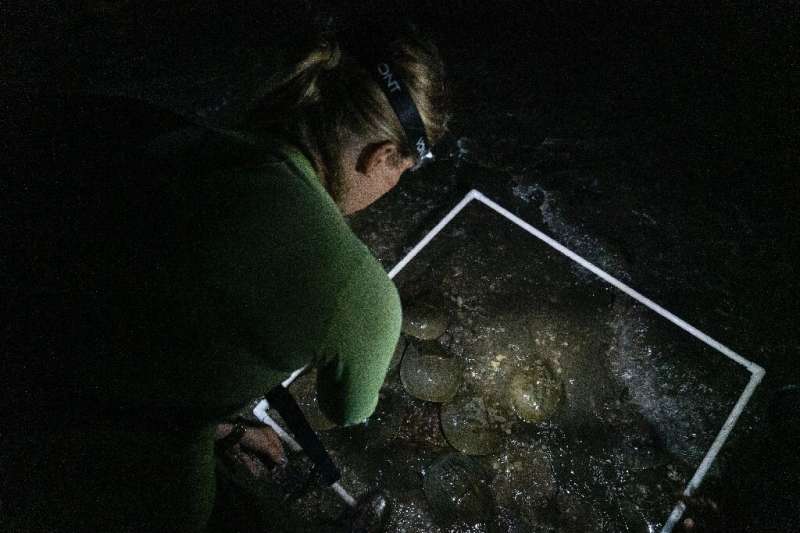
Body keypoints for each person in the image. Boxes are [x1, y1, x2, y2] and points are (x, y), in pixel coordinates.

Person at [1, 9, 448, 533]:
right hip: (80, 467)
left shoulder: (166, 136)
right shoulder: (360, 292)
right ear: (383, 156)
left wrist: (222, 429)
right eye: (405, 172)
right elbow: (349, 409)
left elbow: (143, 323)